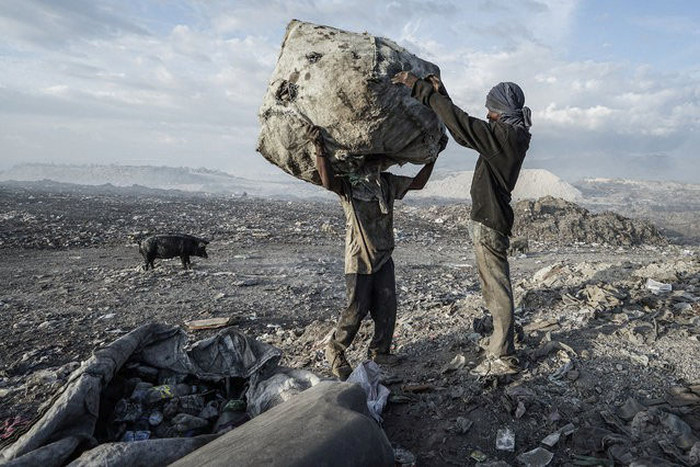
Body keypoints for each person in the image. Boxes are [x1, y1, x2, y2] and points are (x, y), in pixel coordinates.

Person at [392, 71, 532, 376]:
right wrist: (444, 93)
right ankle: (498, 340)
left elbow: (462, 125)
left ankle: (504, 351)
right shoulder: (507, 136)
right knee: (492, 287)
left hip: (490, 221)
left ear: (501, 111)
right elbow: (464, 128)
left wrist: (419, 88)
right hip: (489, 220)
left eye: (491, 109)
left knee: (498, 289)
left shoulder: (503, 138)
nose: (487, 113)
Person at [306, 124, 438, 380]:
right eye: (370, 160)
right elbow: (327, 181)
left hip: (384, 256)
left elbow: (418, 184)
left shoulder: (387, 184)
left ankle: (380, 350)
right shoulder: (350, 185)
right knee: (356, 308)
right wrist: (320, 148)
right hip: (359, 259)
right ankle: (335, 350)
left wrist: (432, 159)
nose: (375, 164)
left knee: (387, 305)